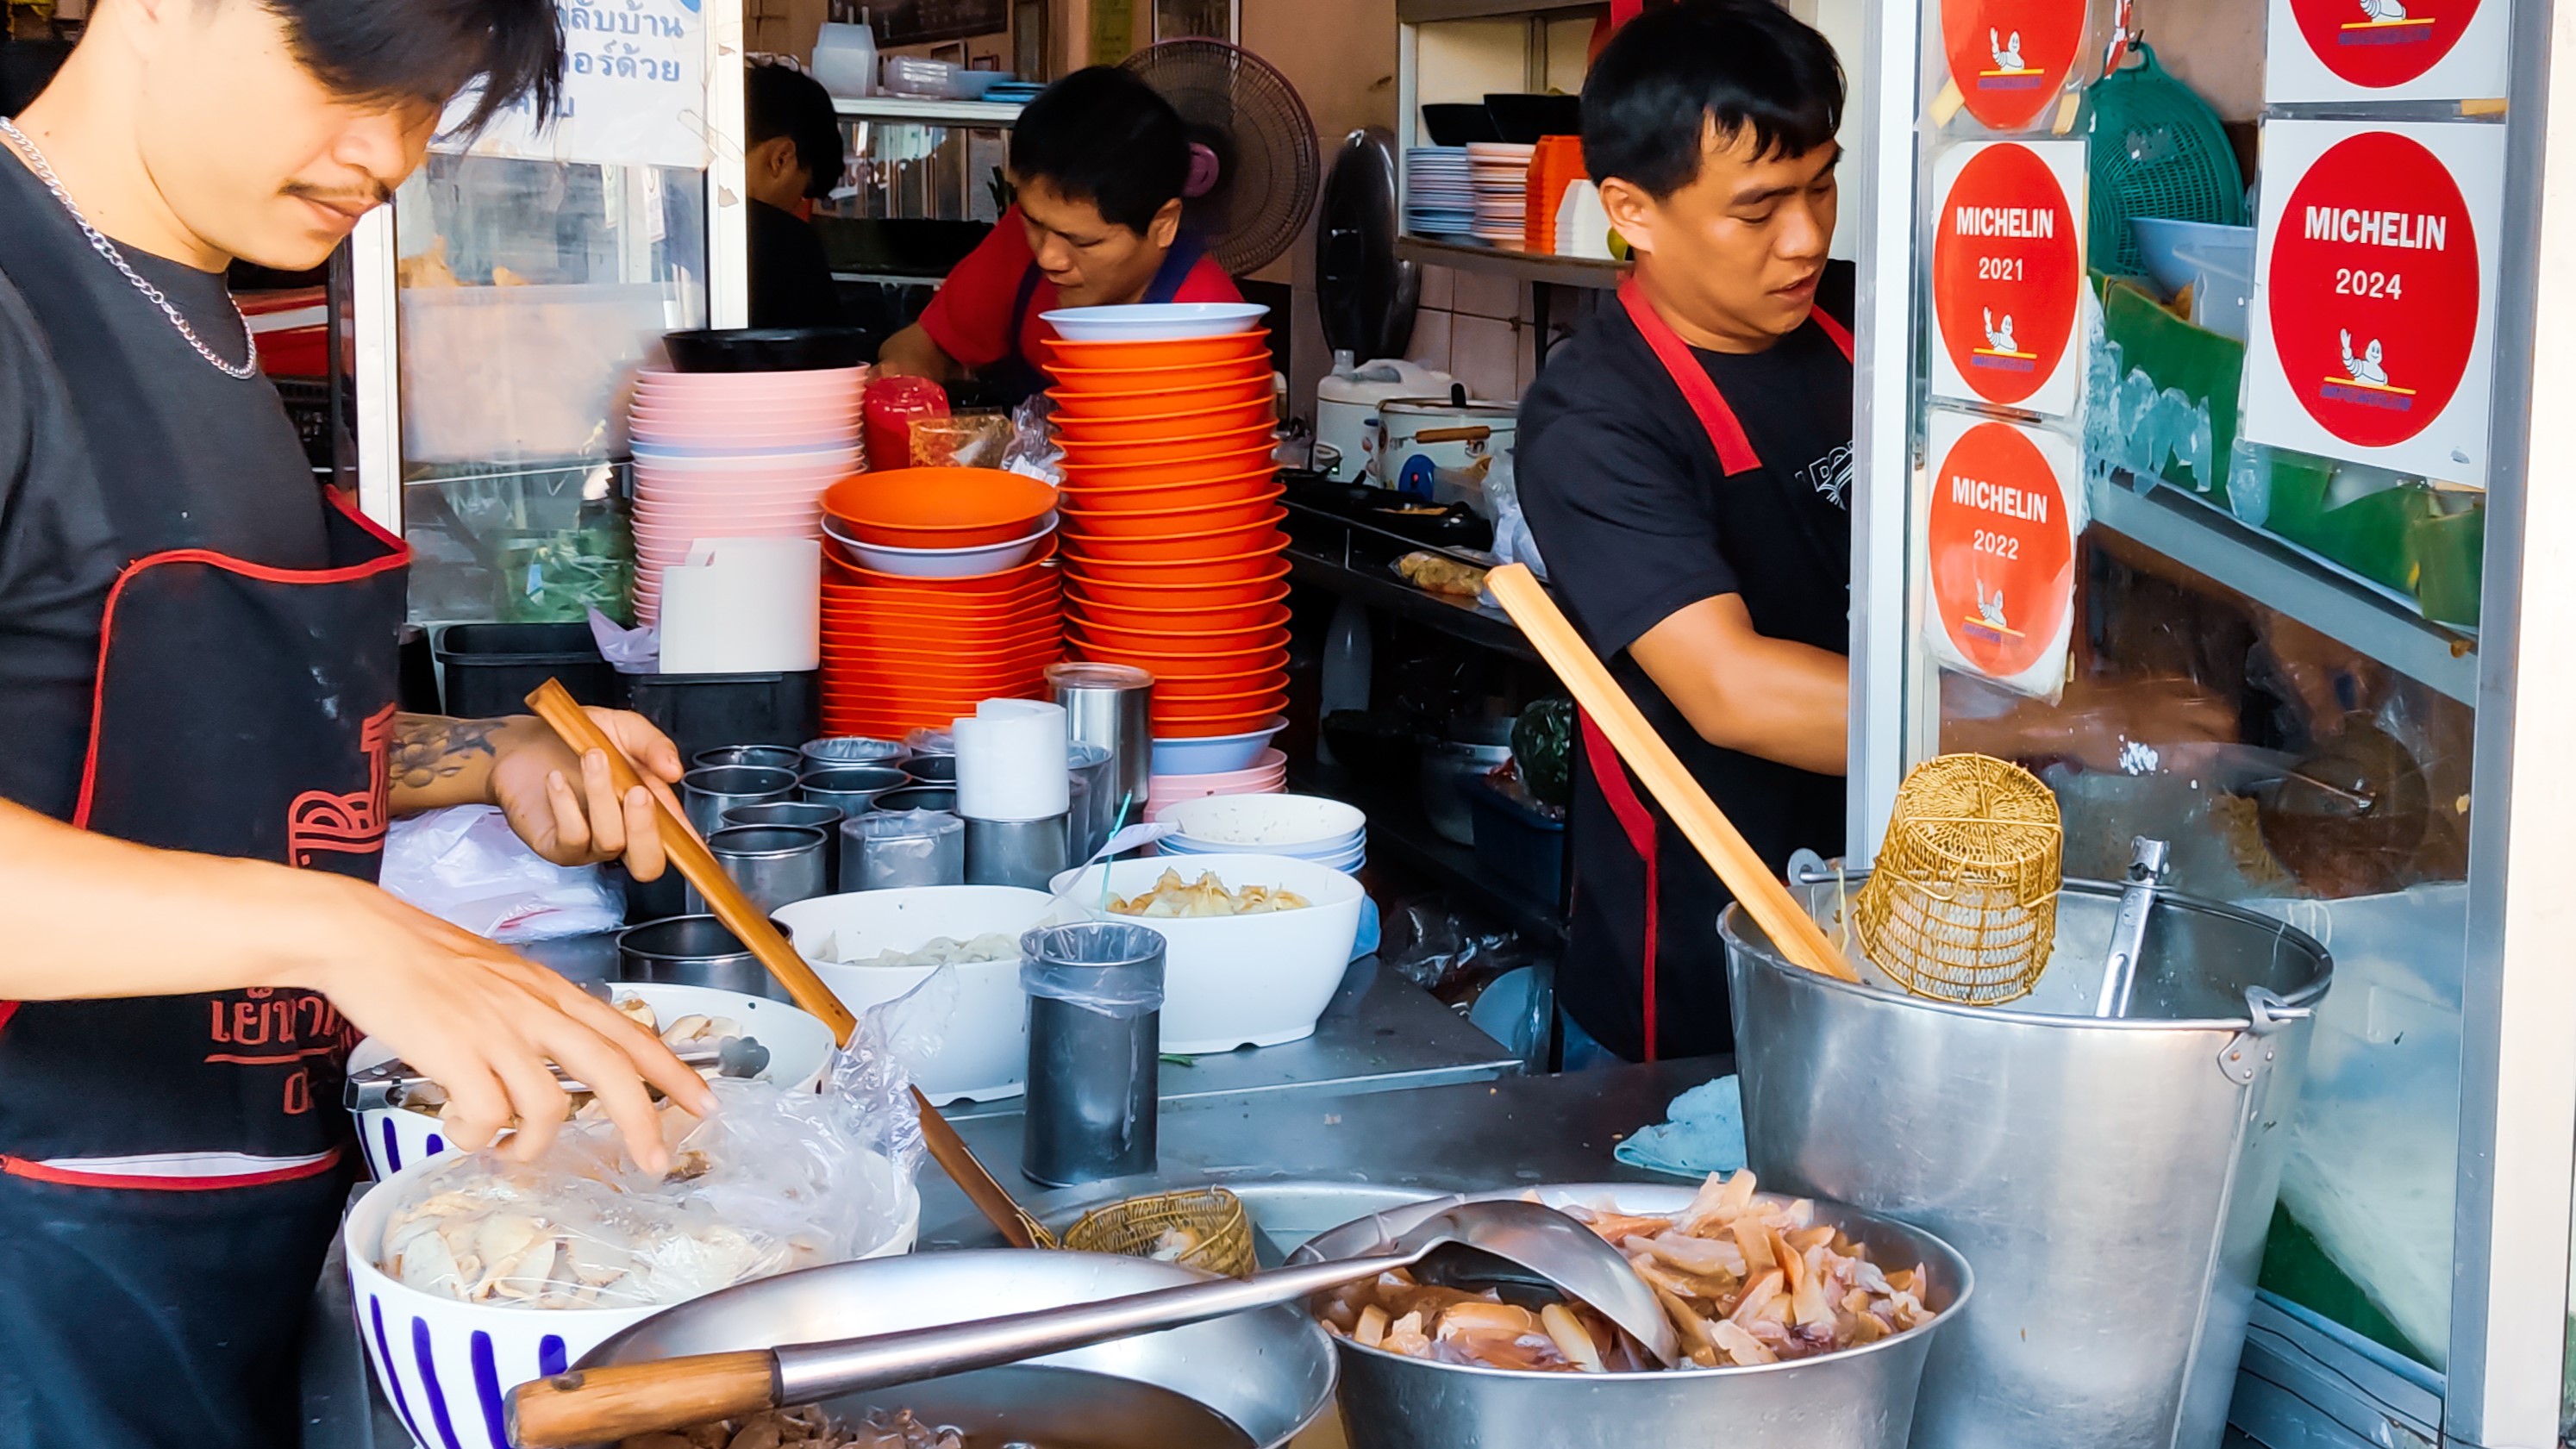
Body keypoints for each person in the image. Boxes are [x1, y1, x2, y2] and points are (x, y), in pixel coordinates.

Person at [0, 3, 715, 1445]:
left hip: (225, 1211)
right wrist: (335, 930)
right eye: (345, 74)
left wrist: (498, 755)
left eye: (427, 102)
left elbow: (175, 733)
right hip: (38, 1252)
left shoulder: (187, 303)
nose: (386, 151)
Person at [1516, 0, 1855, 1066]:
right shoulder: (1598, 416)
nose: (1805, 238)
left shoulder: (1864, 334)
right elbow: (1733, 688)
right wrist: (2044, 724)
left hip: (1891, 917)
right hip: (1699, 978)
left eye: (1821, 186)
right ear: (1634, 209)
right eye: (1758, 210)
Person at [874, 66, 1240, 401]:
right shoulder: (1019, 245)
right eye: (1033, 221)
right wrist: (908, 375)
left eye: (1083, 241)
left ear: (1164, 224)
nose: (1048, 257)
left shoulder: (1211, 325)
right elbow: (923, 342)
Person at [746, 60, 847, 328]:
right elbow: (824, 359)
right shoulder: (785, 241)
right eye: (804, 193)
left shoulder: (655, 219)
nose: (797, 206)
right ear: (782, 158)